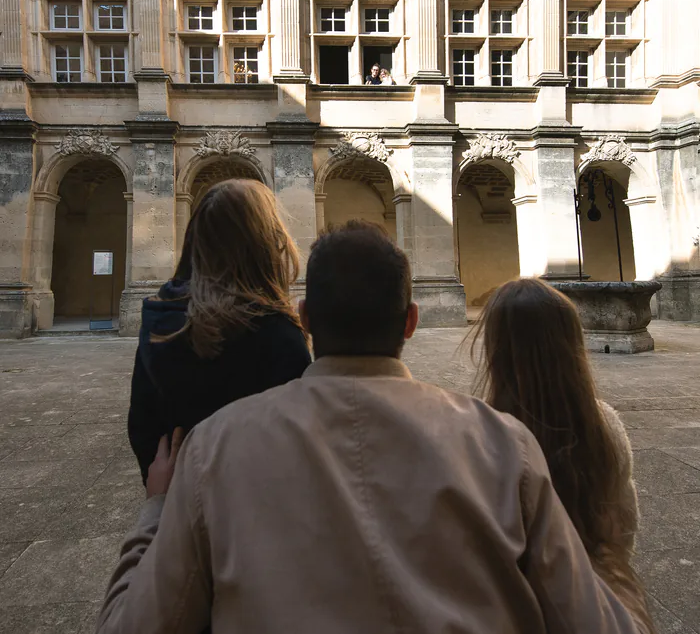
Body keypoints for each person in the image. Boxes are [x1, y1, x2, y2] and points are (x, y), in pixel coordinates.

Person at [97, 223, 640, 634]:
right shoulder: (504, 444)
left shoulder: (213, 447)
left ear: (305, 319)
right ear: (411, 320)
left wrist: (155, 510)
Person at [471, 277, 653, 633]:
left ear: (495, 350)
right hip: (592, 606)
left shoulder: (479, 432)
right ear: (572, 344)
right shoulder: (605, 426)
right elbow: (623, 525)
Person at [126, 178, 311, 482]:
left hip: (180, 498)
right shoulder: (276, 333)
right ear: (265, 243)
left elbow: (143, 428)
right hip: (254, 505)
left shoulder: (160, 320)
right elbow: (296, 444)